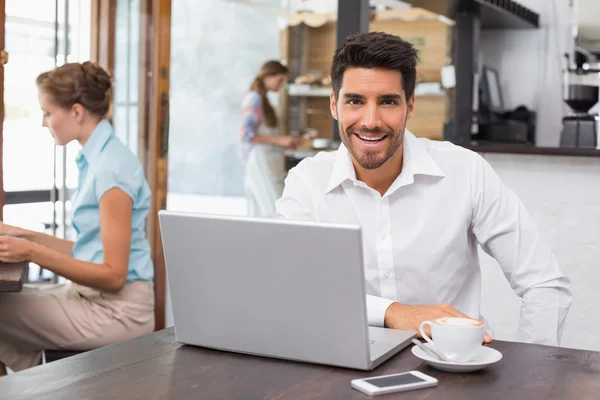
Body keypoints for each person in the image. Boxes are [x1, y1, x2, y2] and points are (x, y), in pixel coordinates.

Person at [275, 32, 572, 346]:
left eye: (388, 101)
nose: (371, 121)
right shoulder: (307, 181)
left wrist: (530, 377)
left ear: (410, 106)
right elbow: (289, 289)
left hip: (454, 370)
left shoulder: (466, 171)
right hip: (343, 366)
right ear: (334, 105)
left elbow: (544, 284)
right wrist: (394, 313)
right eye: (355, 101)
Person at [0, 61, 154, 375]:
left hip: (117, 312)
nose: (44, 122)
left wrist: (31, 252)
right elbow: (89, 250)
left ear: (76, 111)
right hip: (93, 299)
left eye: (47, 112)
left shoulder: (111, 169)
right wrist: (23, 235)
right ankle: (31, 385)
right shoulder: (98, 158)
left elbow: (113, 275)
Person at [240, 60, 303, 217]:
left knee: (265, 208)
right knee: (270, 208)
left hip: (264, 159)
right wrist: (280, 140)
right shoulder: (253, 99)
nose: (281, 85)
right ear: (268, 76)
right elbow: (246, 135)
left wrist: (284, 141)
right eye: (280, 80)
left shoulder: (263, 99)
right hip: (257, 159)